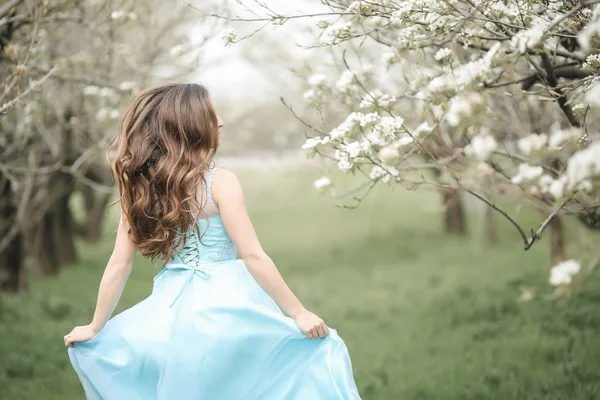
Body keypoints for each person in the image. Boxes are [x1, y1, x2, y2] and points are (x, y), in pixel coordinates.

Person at [63, 83, 362, 399]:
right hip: (225, 307)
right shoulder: (221, 181)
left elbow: (119, 264)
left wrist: (96, 327)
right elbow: (253, 255)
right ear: (190, 126)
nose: (220, 122)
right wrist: (299, 313)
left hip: (168, 310)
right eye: (211, 115)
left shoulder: (143, 188)